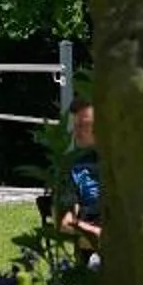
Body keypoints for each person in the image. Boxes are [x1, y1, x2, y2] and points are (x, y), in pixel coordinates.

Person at [58, 98, 103, 247]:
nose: (76, 132)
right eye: (76, 126)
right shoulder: (74, 168)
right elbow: (66, 224)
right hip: (96, 254)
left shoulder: (128, 164)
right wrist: (97, 234)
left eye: (83, 126)